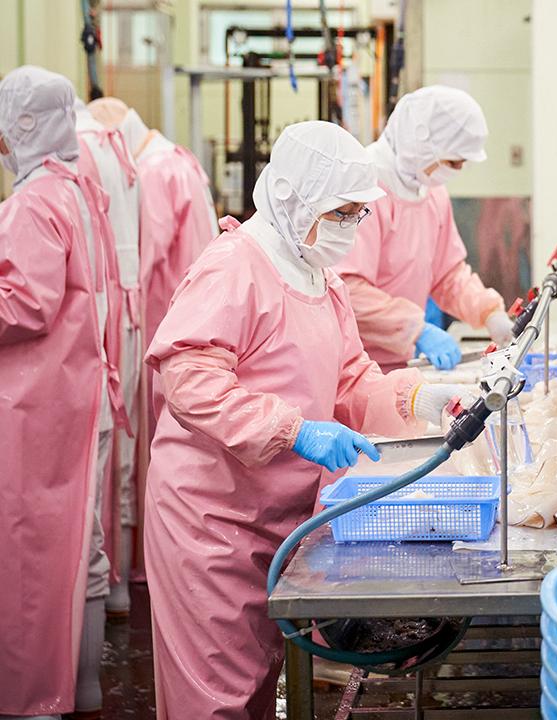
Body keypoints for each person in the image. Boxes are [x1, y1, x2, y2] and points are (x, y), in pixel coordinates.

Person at [142, 121, 470, 719]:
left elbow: (351, 380)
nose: (350, 227)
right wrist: (293, 430)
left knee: (258, 682)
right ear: (294, 198)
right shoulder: (235, 265)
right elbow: (189, 379)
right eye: (340, 213)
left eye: (356, 215)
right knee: (215, 696)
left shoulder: (321, 276)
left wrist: (417, 400)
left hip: (278, 515)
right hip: (211, 516)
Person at [0, 65, 125, 720]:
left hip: (41, 404)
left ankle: (32, 701)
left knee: (31, 554)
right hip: (83, 395)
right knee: (83, 546)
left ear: (20, 127)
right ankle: (83, 691)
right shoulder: (80, 189)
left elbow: (25, 304)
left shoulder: (32, 203)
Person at [336, 85, 513, 371]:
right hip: (356, 364)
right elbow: (348, 291)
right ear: (421, 143)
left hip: (402, 361)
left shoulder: (431, 191)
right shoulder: (364, 187)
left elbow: (447, 274)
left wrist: (488, 311)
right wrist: (415, 329)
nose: (456, 170)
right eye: (452, 161)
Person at [87, 96, 218, 437]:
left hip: (165, 311)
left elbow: (140, 261)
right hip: (199, 306)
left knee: (161, 418)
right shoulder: (176, 157)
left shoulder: (152, 172)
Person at [73, 98, 143, 616]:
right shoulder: (112, 150)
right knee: (115, 461)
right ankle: (112, 591)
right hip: (122, 321)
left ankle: (103, 594)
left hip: (100, 328)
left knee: (93, 478)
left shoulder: (80, 153)